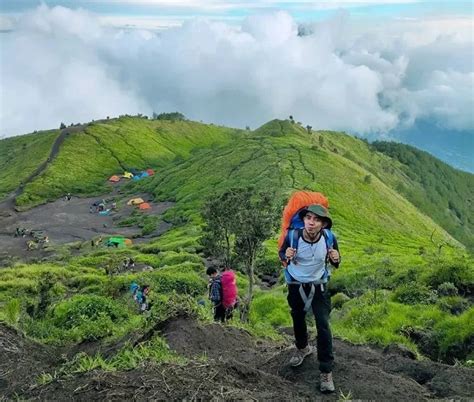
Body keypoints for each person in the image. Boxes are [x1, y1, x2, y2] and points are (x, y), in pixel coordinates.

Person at [279, 204, 340, 393]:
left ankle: (326, 371)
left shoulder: (329, 238)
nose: (311, 223)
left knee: (323, 324)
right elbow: (282, 255)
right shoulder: (293, 236)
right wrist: (285, 255)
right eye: (308, 218)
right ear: (304, 220)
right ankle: (303, 347)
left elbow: (335, 262)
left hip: (319, 285)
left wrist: (336, 259)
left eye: (316, 220)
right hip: (296, 285)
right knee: (297, 318)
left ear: (323, 225)